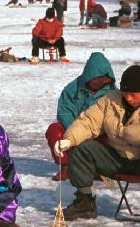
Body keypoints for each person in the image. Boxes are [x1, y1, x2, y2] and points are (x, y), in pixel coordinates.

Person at [54, 65, 140, 227]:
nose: (128, 98)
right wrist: (69, 140)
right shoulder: (111, 100)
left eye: (133, 94)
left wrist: (123, 132)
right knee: (81, 147)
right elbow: (89, 121)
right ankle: (85, 201)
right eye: (125, 93)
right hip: (119, 158)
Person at [45, 52, 117, 181]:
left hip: (98, 133)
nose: (103, 81)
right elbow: (64, 112)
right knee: (54, 130)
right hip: (73, 130)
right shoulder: (72, 89)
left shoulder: (113, 93)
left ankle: (99, 168)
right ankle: (66, 165)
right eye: (99, 78)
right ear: (90, 76)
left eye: (105, 78)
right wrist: (76, 133)